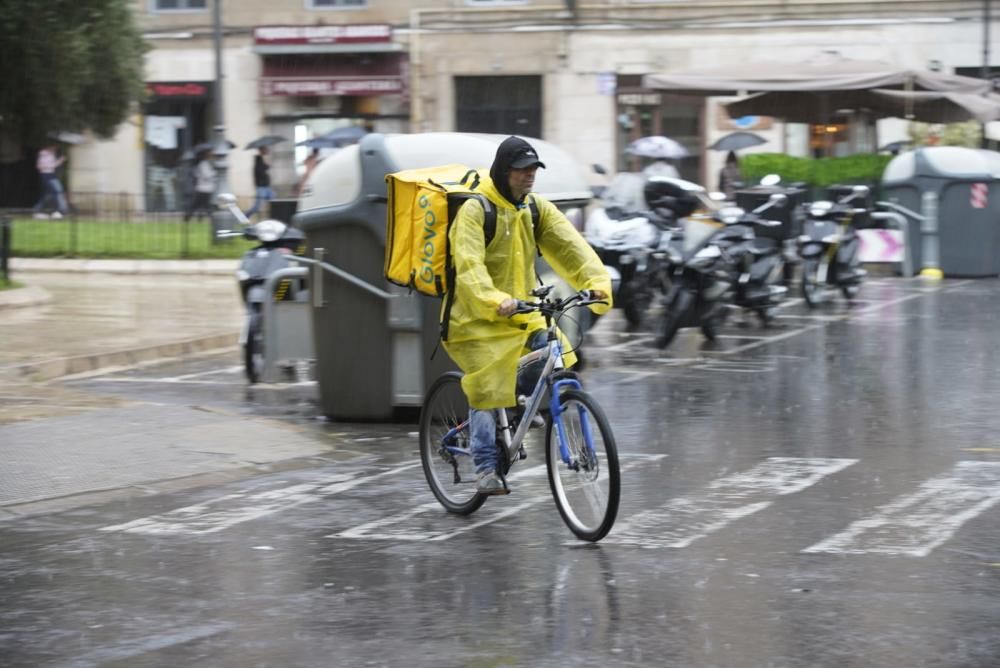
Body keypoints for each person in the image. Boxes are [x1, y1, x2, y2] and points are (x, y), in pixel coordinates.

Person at [442, 136, 613, 494]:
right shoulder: (476, 211)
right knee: (489, 385)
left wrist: (596, 282)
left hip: (523, 314)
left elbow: (572, 247)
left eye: (533, 169)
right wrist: (494, 300)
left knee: (558, 355)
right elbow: (470, 267)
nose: (529, 176)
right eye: (522, 170)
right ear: (504, 172)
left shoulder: (535, 209)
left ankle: (527, 409)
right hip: (476, 320)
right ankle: (486, 466)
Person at [32, 144, 69, 219]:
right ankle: (63, 209)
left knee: (54, 193)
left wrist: (60, 161)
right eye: (54, 147)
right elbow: (40, 166)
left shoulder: (51, 154)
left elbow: (53, 165)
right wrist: (60, 161)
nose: (55, 148)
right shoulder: (44, 154)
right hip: (46, 175)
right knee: (56, 192)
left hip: (51, 175)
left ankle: (36, 208)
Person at [183, 149, 217, 222]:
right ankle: (189, 217)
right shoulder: (203, 164)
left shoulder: (206, 163)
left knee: (201, 205)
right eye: (211, 154)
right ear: (206, 155)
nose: (213, 156)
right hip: (203, 189)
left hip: (206, 188)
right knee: (198, 205)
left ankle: (191, 218)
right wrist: (214, 172)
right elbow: (207, 175)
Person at [244, 146, 274, 218]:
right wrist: (266, 166)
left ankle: (273, 217)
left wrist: (267, 165)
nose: (268, 150)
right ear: (262, 150)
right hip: (261, 187)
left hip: (266, 187)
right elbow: (260, 171)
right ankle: (244, 216)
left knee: (274, 201)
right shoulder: (258, 159)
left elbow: (265, 168)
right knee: (257, 207)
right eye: (266, 149)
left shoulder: (262, 159)